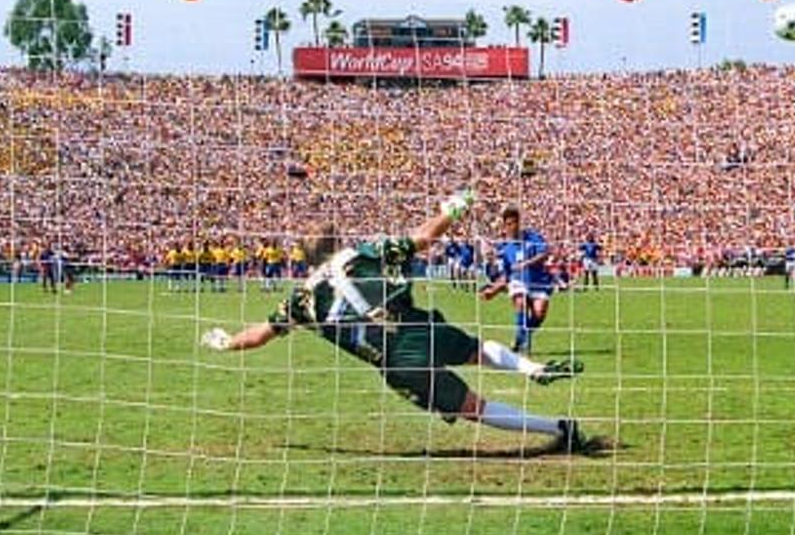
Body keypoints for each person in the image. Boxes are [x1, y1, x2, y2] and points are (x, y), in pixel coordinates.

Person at [199, 188, 595, 453]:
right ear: (337, 243)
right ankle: (531, 367)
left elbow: (260, 336)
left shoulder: (301, 300)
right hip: (415, 325)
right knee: (477, 350)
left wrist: (228, 341)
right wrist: (451, 211)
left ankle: (558, 428)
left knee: (474, 406)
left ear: (307, 259)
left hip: (394, 361)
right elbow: (422, 238)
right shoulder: (362, 252)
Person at [480, 205, 558, 355]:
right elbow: (506, 275)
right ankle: (523, 341)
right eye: (508, 224)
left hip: (538, 281)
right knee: (520, 302)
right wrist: (494, 291)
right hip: (518, 282)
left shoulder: (533, 237)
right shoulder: (504, 248)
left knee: (539, 313)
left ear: (519, 223)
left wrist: (526, 263)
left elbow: (545, 253)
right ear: (504, 226)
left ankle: (521, 336)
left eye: (514, 222)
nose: (512, 227)